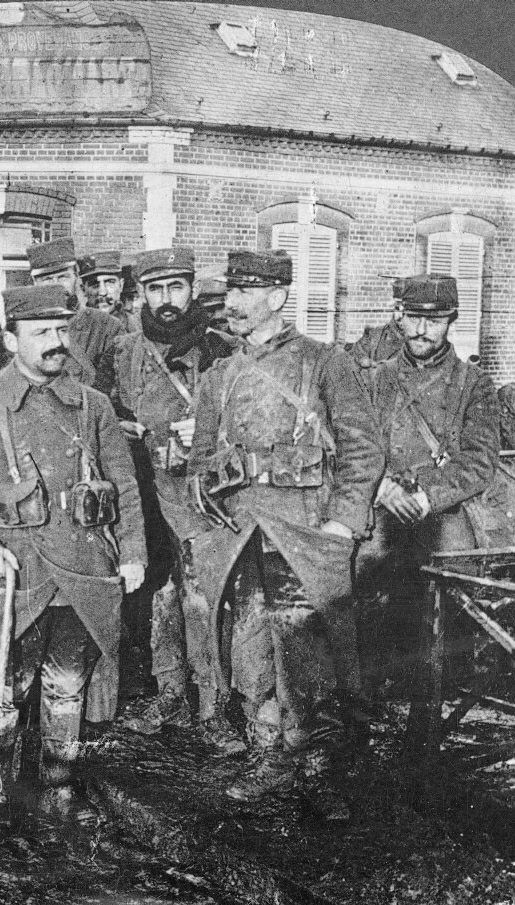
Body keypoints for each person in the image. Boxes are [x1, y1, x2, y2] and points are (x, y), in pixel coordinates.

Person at [0, 285, 146, 814]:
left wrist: (133, 552)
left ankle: (58, 788)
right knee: (5, 690)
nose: (57, 343)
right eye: (42, 333)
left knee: (69, 686)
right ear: (11, 340)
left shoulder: (93, 407)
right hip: (17, 577)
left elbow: (124, 485)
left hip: (82, 574)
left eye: (61, 331)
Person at [188, 250, 384, 810]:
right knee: (249, 650)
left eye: (245, 293)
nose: (231, 303)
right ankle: (268, 757)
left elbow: (364, 450)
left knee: (309, 655)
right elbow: (201, 460)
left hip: (303, 534)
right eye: (230, 292)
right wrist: (205, 503)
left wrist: (343, 522)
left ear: (277, 298)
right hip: (239, 537)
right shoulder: (217, 376)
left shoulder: (324, 363)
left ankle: (320, 774)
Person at [112, 247, 241, 752]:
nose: (166, 301)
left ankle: (212, 706)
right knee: (161, 593)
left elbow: (254, 418)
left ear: (191, 290)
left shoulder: (226, 350)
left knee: (207, 595)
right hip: (148, 491)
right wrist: (130, 431)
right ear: (141, 294)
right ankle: (169, 694)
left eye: (176, 288)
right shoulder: (123, 354)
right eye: (155, 289)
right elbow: (104, 415)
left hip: (208, 496)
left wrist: (215, 431)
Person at [357, 274, 499, 693]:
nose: (421, 330)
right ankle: (368, 679)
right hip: (384, 500)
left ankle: (444, 681)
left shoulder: (474, 384)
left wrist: (426, 498)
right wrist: (381, 487)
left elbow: (479, 461)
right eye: (414, 318)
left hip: (442, 505)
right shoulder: (376, 379)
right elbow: (355, 445)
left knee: (453, 575)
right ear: (400, 318)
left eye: (433, 321)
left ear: (451, 322)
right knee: (362, 566)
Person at [26, 237, 120, 396]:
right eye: (47, 279)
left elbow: (119, 392)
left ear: (76, 277)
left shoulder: (106, 327)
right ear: (35, 282)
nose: (56, 285)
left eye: (63, 277)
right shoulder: (20, 329)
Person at [349, 277, 407, 384]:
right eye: (398, 309)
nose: (400, 316)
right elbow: (352, 361)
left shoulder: (424, 345)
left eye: (407, 312)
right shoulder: (373, 336)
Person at [79, 250, 142, 335]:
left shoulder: (138, 328)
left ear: (121, 285)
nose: (102, 292)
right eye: (95, 285)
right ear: (84, 290)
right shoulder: (74, 329)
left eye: (110, 283)